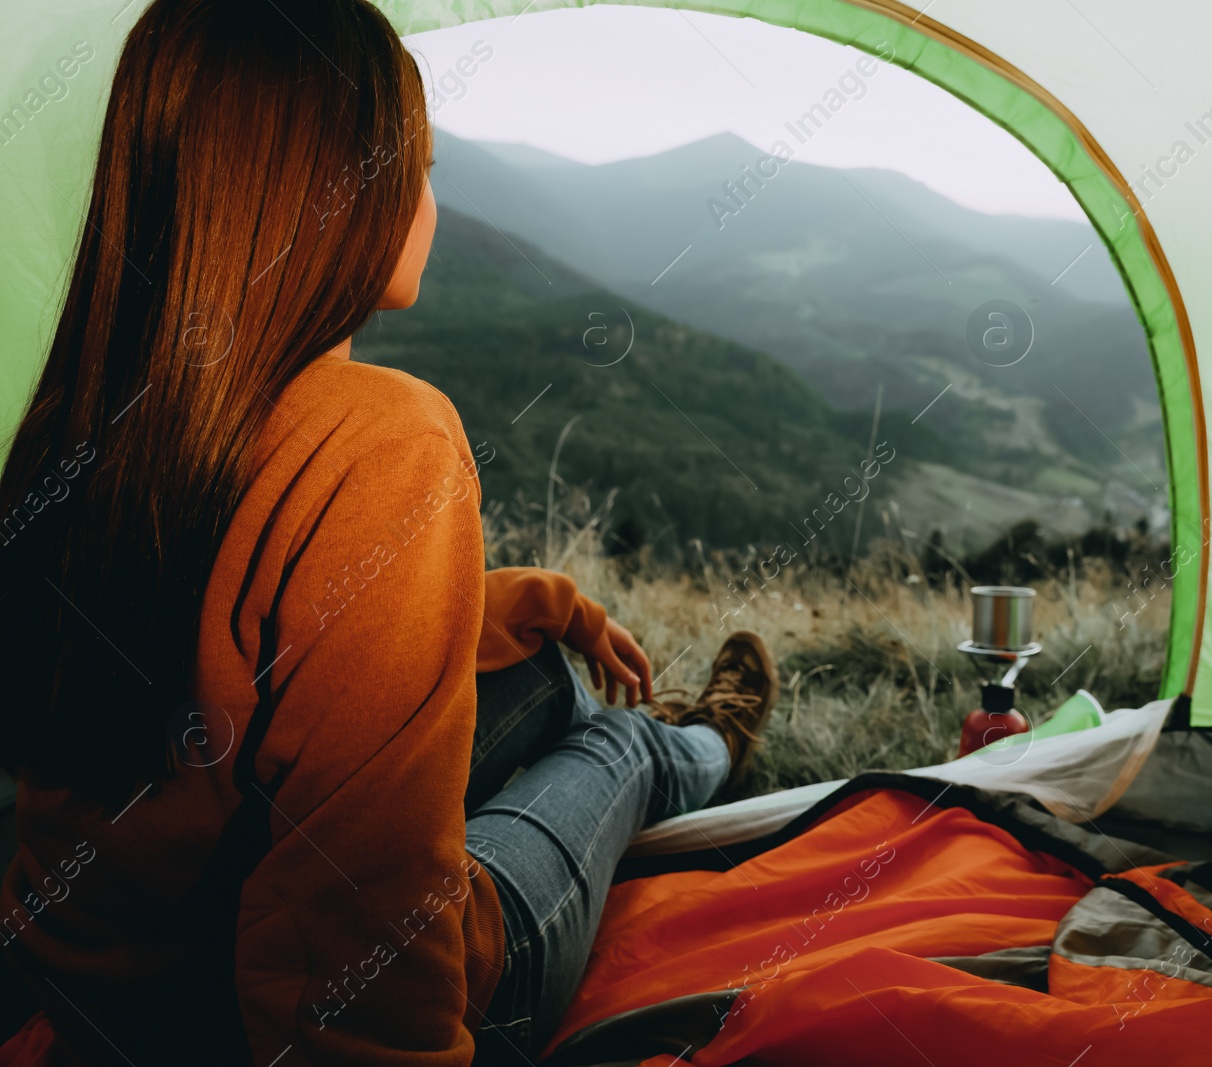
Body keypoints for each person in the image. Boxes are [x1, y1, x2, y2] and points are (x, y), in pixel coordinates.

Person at [0, 1, 776, 1062]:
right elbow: (358, 934)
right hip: (285, 1016)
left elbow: (252, 656)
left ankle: (591, 700)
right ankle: (692, 746)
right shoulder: (384, 439)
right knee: (607, 743)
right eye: (422, 167)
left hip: (93, 976)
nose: (429, 202)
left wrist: (537, 605)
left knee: (546, 670)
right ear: (338, 195)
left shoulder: (79, 417)